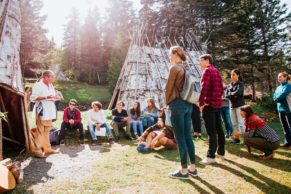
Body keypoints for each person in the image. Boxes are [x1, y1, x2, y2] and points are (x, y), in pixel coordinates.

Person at [165, 46, 197, 180]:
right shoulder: (186, 67)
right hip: (189, 105)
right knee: (188, 136)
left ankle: (183, 171)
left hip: (177, 104)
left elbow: (168, 88)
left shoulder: (174, 68)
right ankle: (193, 168)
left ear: (175, 54)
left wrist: (167, 103)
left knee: (180, 138)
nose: (169, 58)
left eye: (170, 55)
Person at [199, 54, 225, 165]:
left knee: (211, 131)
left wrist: (201, 103)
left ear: (207, 60)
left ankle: (210, 156)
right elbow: (222, 89)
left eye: (201, 61)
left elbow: (204, 88)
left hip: (208, 105)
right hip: (218, 105)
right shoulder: (217, 71)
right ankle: (221, 152)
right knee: (219, 129)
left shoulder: (207, 71)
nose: (200, 63)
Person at [30, 70, 60, 158]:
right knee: (40, 131)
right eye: (52, 77)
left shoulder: (50, 85)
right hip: (41, 110)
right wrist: (46, 97)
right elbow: (33, 98)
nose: (53, 79)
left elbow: (51, 96)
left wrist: (55, 97)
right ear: (45, 77)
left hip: (49, 111)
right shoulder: (38, 85)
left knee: (47, 131)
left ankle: (47, 149)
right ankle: (37, 151)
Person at [226, 69, 245, 143]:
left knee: (241, 123)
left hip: (239, 106)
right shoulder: (229, 85)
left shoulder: (240, 84)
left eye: (233, 74)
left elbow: (239, 92)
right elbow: (226, 95)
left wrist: (231, 94)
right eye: (231, 74)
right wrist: (233, 95)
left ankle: (247, 140)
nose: (232, 76)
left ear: (238, 75)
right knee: (234, 123)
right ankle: (236, 138)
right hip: (231, 106)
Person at [273, 72, 291, 149]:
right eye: (278, 76)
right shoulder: (278, 87)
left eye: (280, 76)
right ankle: (287, 142)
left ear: (285, 77)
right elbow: (274, 96)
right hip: (280, 109)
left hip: (288, 109)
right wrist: (276, 99)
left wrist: (276, 99)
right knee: (284, 127)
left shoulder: (289, 86)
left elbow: (282, 96)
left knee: (290, 127)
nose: (279, 78)